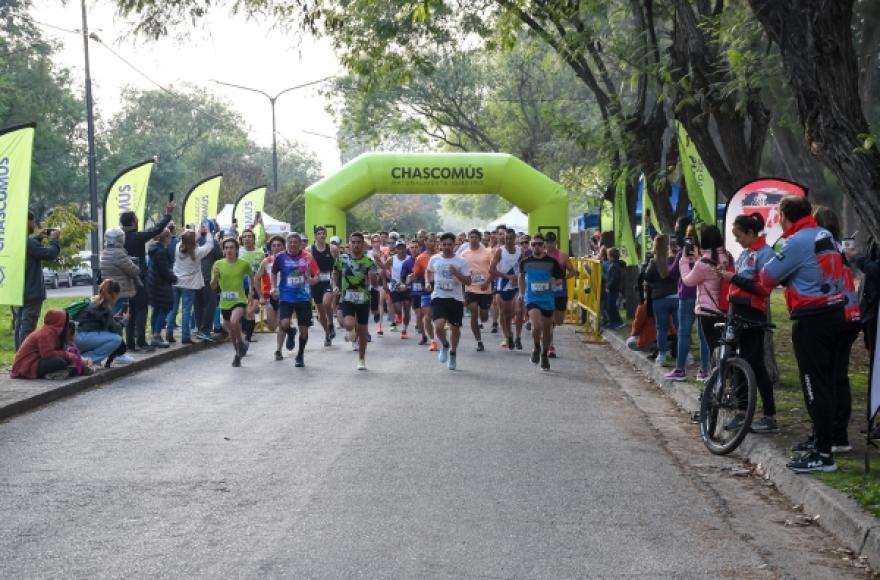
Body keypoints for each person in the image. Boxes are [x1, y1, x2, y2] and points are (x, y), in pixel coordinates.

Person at [756, 197, 848, 473]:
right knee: (828, 383)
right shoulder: (825, 235)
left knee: (814, 385)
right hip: (835, 313)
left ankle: (822, 455)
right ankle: (824, 441)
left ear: (784, 215)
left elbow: (766, 278)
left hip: (812, 319)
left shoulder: (796, 241)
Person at [716, 213, 776, 434]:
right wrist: (727, 277)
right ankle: (741, 412)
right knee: (737, 361)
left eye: (739, 235)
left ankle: (769, 415)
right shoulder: (745, 252)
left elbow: (763, 288)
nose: (737, 240)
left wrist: (734, 279)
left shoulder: (765, 253)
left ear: (751, 233)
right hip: (736, 311)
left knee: (755, 364)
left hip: (753, 313)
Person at [813, 205, 860, 453]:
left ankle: (833, 433)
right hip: (851, 314)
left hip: (835, 315)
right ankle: (839, 434)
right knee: (839, 377)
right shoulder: (839, 247)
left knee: (829, 378)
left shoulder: (823, 246)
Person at [120, 200, 175, 352]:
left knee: (129, 311)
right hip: (138, 279)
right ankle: (142, 342)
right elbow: (156, 229)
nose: (138, 221)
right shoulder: (136, 237)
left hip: (124, 280)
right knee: (141, 309)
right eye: (136, 219)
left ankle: (130, 343)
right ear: (132, 222)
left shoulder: (121, 238)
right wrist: (168, 214)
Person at [678, 225, 731, 381]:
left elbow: (688, 280)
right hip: (725, 308)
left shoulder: (703, 264)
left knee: (713, 348)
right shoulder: (727, 257)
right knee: (722, 348)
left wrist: (684, 260)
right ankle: (721, 379)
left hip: (708, 311)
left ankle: (716, 381)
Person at [271, 232, 320, 367]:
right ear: (287, 244)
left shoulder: (308, 257)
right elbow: (274, 272)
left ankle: (300, 355)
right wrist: (274, 287)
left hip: (303, 297)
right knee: (284, 323)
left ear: (300, 244)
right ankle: (291, 332)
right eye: (290, 242)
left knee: (304, 330)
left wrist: (312, 280)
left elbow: (317, 275)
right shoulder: (280, 257)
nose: (293, 245)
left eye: (295, 242)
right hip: (286, 296)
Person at [333, 232, 379, 370]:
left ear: (363, 245)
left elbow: (375, 284)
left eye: (359, 242)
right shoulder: (342, 260)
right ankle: (351, 332)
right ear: (349, 244)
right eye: (353, 242)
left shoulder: (369, 262)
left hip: (363, 300)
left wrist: (374, 277)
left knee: (363, 333)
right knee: (348, 324)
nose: (356, 245)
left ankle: (361, 359)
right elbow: (334, 273)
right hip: (347, 298)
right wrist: (335, 285)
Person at [425, 232, 472, 370]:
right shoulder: (434, 259)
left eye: (449, 244)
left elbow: (468, 281)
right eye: (444, 244)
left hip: (455, 298)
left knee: (455, 328)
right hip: (438, 296)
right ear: (440, 245)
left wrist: (456, 273)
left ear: (454, 245)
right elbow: (428, 271)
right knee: (438, 326)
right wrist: (428, 282)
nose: (446, 247)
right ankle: (445, 345)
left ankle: (453, 352)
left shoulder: (461, 261)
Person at [520, 234, 565, 371]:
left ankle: (544, 353)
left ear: (544, 246)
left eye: (539, 244)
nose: (536, 247)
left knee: (547, 330)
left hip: (548, 299)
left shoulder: (552, 262)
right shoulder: (525, 262)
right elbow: (521, 277)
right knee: (536, 325)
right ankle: (536, 347)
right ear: (531, 246)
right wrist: (521, 294)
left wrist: (555, 281)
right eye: (534, 244)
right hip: (532, 299)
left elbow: (560, 278)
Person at [17, 212, 61, 349]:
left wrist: (38, 238)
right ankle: (24, 357)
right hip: (32, 291)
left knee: (20, 324)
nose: (34, 225)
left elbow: (31, 250)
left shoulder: (18, 241)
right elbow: (50, 254)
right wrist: (54, 240)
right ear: (27, 222)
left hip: (19, 289)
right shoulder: (28, 243)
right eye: (33, 222)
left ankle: (19, 355)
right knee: (28, 326)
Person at [211, 237, 254, 367]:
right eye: (226, 248)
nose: (229, 250)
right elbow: (212, 286)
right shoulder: (217, 264)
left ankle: (241, 342)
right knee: (231, 331)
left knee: (235, 322)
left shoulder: (243, 264)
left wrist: (251, 293)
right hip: (225, 302)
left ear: (236, 249)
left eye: (231, 247)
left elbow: (253, 278)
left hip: (239, 300)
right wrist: (216, 277)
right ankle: (237, 354)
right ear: (223, 250)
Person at [173, 227, 216, 344]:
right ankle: (185, 336)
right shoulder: (198, 252)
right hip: (189, 285)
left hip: (176, 282)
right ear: (194, 241)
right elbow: (210, 245)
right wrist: (208, 232)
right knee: (186, 311)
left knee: (174, 309)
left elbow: (185, 241)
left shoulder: (177, 247)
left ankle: (168, 334)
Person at [643, 234, 679, 366]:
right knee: (680, 328)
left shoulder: (654, 262)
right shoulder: (675, 259)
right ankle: (684, 355)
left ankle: (662, 356)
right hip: (676, 297)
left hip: (660, 299)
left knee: (661, 329)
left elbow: (647, 278)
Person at [11, 310, 78, 379]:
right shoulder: (45, 334)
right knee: (60, 362)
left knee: (68, 360)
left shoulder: (52, 332)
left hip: (36, 361)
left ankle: (64, 371)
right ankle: (51, 374)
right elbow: (47, 354)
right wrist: (65, 354)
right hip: (26, 365)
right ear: (59, 322)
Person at [75, 279, 126, 366]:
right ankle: (87, 360)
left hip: (74, 337)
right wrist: (125, 321)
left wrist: (115, 318)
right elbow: (115, 329)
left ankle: (81, 358)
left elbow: (97, 321)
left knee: (107, 337)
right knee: (116, 339)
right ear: (114, 294)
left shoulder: (93, 301)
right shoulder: (105, 307)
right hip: (82, 338)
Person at [491, 227, 524, 350]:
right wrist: (507, 276)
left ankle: (518, 337)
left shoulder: (520, 251)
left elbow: (523, 268)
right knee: (505, 314)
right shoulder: (500, 251)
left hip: (516, 285)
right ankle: (508, 335)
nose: (508, 241)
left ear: (515, 238)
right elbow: (492, 269)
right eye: (506, 238)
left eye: (511, 238)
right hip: (502, 285)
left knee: (519, 310)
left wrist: (520, 277)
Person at [461, 229, 493, 351]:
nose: (473, 239)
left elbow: (493, 270)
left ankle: (483, 316)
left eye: (475, 237)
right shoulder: (464, 254)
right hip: (471, 288)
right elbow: (461, 270)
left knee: (484, 316)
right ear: (468, 239)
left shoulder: (487, 252)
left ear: (479, 239)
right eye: (471, 237)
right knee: (474, 312)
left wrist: (487, 282)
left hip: (485, 288)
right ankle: (479, 341)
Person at [545, 231, 576, 358]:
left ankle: (549, 330)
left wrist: (562, 278)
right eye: (548, 242)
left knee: (559, 321)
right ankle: (550, 346)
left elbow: (573, 271)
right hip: (546, 292)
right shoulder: (541, 255)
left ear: (555, 242)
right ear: (545, 243)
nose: (550, 245)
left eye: (552, 242)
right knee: (549, 318)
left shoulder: (562, 256)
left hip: (560, 291)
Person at [146, 230, 178, 348]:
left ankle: (155, 334)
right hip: (161, 285)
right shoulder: (162, 252)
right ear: (165, 238)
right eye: (169, 238)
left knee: (156, 310)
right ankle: (156, 336)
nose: (170, 241)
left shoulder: (153, 250)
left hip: (153, 283)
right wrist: (174, 278)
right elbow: (164, 271)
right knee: (163, 309)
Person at [238, 221, 267, 344]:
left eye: (249, 236)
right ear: (241, 239)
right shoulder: (237, 251)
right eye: (244, 236)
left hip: (255, 285)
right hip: (239, 285)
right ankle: (245, 332)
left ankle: (247, 339)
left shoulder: (260, 253)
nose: (247, 239)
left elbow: (264, 271)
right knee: (243, 312)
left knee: (250, 311)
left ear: (254, 239)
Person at [311, 226, 338, 346]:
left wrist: (335, 278)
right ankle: (327, 334)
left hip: (328, 280)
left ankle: (331, 323)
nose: (321, 236)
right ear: (315, 236)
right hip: (316, 282)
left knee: (327, 303)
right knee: (321, 313)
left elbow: (338, 264)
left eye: (323, 234)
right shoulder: (309, 249)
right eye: (319, 234)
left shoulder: (332, 248)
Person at [411, 233, 438, 350]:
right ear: (425, 242)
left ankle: (438, 333)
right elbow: (416, 275)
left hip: (440, 287)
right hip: (426, 288)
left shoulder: (441, 256)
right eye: (430, 241)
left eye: (434, 241)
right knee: (427, 315)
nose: (432, 243)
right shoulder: (420, 258)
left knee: (437, 316)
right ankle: (431, 340)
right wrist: (411, 277)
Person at [255, 235, 286, 334]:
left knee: (282, 324)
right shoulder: (266, 261)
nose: (276, 248)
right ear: (270, 247)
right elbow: (256, 279)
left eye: (279, 245)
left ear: (284, 247)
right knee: (272, 327)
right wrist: (260, 296)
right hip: (269, 296)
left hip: (285, 296)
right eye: (274, 245)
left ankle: (280, 347)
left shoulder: (289, 260)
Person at [388, 239, 414, 338]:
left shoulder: (409, 259)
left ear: (405, 249)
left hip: (407, 285)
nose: (401, 250)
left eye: (403, 248)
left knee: (407, 307)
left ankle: (404, 329)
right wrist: (386, 280)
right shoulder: (392, 259)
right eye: (399, 248)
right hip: (395, 285)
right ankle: (398, 315)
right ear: (396, 249)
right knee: (398, 308)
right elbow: (383, 268)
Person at [604, 248, 625, 329]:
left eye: (608, 255)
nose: (607, 257)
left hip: (613, 290)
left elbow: (614, 279)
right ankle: (614, 321)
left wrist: (609, 287)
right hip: (613, 289)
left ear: (612, 257)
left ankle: (616, 322)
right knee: (611, 306)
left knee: (611, 306)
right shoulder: (614, 265)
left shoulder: (614, 266)